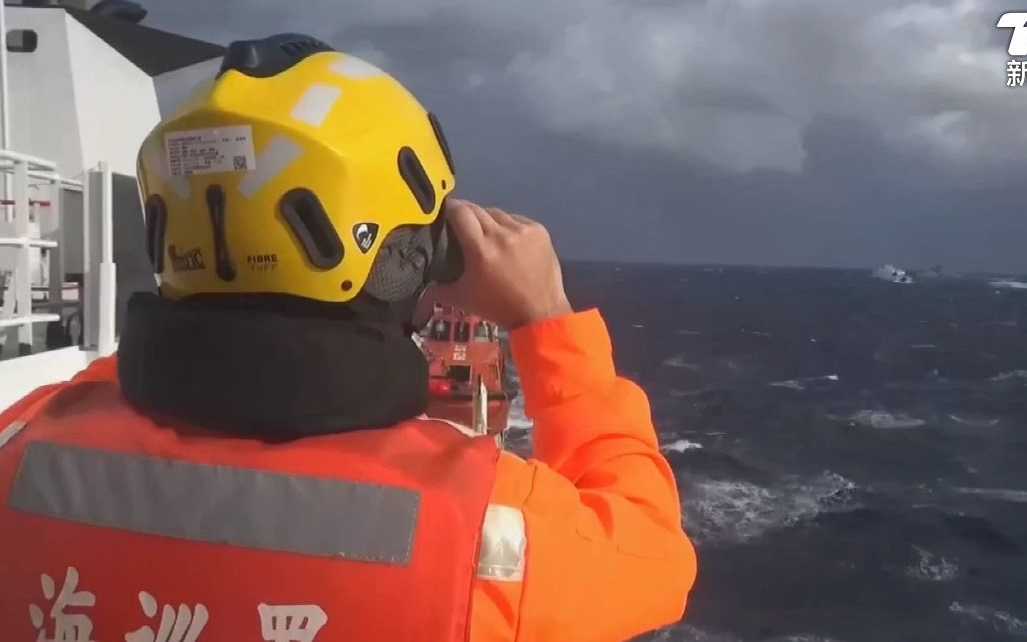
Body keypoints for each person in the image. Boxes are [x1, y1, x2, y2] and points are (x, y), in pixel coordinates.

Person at [0, 34, 696, 641]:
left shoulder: (22, 446)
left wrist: (204, 296)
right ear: (404, 260)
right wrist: (546, 313)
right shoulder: (486, 531)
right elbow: (651, 554)